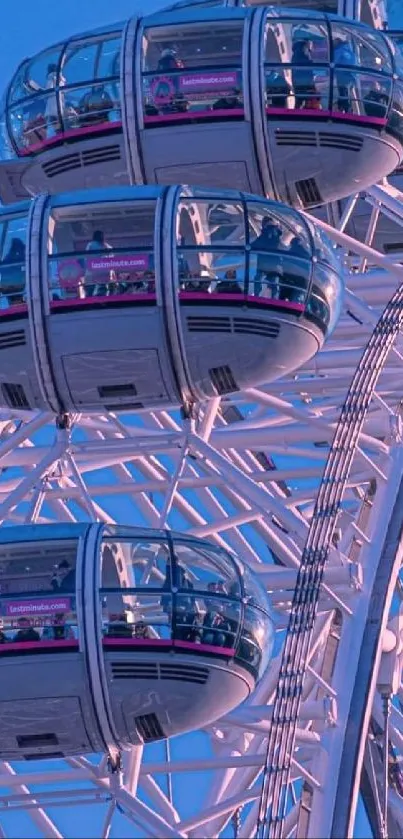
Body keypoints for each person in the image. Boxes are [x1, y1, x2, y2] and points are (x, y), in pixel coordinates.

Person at [251, 217, 283, 297]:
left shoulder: (266, 234)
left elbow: (255, 245)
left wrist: (248, 247)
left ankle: (257, 296)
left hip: (263, 264)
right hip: (274, 264)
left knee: (258, 279)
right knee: (274, 282)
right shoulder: (277, 234)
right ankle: (274, 299)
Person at [85, 230, 115, 297]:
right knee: (103, 288)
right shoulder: (106, 246)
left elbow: (86, 258)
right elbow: (112, 259)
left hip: (94, 271)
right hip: (103, 272)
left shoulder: (91, 245)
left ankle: (90, 301)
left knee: (91, 289)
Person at [291, 40, 318, 109]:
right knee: (308, 97)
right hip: (304, 81)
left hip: (298, 81)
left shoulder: (296, 55)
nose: (311, 47)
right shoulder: (303, 55)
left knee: (299, 99)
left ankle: (297, 112)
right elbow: (307, 67)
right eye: (310, 45)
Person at [333, 37, 356, 114]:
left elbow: (334, 61)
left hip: (342, 75)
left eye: (334, 42)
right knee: (345, 93)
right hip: (351, 76)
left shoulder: (339, 50)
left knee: (343, 93)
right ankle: (341, 108)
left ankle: (347, 111)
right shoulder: (349, 51)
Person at [0, 238, 26, 307]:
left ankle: (14, 305)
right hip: (16, 286)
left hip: (5, 287)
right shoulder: (20, 257)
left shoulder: (7, 258)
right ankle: (17, 306)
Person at [45, 63, 65, 139]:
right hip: (60, 106)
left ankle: (59, 137)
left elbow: (49, 90)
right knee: (59, 124)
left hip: (52, 108)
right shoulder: (61, 79)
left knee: (54, 125)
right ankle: (61, 135)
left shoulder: (51, 77)